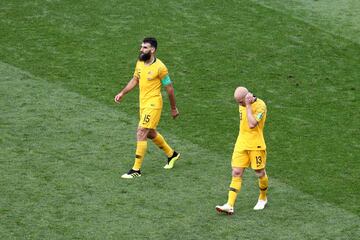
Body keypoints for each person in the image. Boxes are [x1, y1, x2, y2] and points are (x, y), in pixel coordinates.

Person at [114, 37, 180, 178]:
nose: (141, 49)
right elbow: (135, 80)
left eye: (145, 47)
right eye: (141, 46)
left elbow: (170, 89)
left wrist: (173, 108)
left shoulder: (161, 68)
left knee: (141, 131)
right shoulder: (140, 62)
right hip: (143, 104)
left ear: (153, 50)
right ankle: (172, 154)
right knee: (150, 133)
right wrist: (122, 93)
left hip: (154, 104)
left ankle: (136, 170)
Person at [216, 86, 269, 214]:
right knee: (236, 172)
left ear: (246, 98)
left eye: (241, 102)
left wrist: (248, 105)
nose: (239, 105)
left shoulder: (261, 106)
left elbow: (252, 124)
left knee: (260, 172)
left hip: (256, 145)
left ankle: (263, 198)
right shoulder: (242, 103)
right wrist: (245, 103)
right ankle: (230, 204)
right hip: (241, 143)